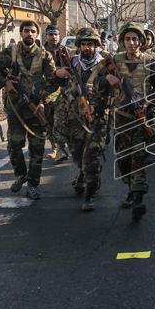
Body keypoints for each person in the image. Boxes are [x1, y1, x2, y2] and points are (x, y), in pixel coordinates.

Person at [0, 20, 57, 200]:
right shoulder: (11, 53)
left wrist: (43, 101)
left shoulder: (45, 56)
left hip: (36, 108)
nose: (29, 34)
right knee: (14, 145)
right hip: (16, 108)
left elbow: (54, 82)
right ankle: (21, 174)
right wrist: (5, 83)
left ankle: (32, 184)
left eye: (32, 31)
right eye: (26, 31)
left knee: (37, 147)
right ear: (21, 33)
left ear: (37, 34)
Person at [102, 22, 155, 221]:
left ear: (141, 41)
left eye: (135, 39)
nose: (131, 43)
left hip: (141, 119)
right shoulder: (113, 61)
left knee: (138, 157)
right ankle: (131, 188)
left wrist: (149, 102)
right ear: (123, 41)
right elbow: (97, 84)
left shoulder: (151, 61)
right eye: (128, 39)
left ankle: (138, 199)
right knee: (123, 160)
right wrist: (107, 80)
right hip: (121, 118)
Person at [54, 28, 107, 212]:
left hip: (97, 119)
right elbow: (56, 82)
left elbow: (111, 91)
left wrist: (99, 107)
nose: (87, 48)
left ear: (96, 46)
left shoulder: (105, 64)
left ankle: (90, 195)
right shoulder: (71, 63)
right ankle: (83, 175)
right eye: (83, 44)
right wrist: (57, 73)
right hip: (74, 118)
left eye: (90, 44)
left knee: (91, 157)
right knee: (77, 154)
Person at [43, 25, 72, 163]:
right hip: (47, 91)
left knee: (60, 120)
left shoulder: (66, 51)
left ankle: (61, 148)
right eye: (50, 34)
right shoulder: (40, 52)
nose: (53, 37)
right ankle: (54, 147)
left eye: (55, 34)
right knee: (48, 120)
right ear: (46, 36)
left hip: (64, 90)